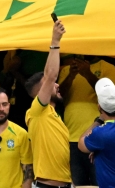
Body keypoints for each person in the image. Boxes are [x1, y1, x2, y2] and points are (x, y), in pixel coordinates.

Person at [58, 54, 115, 185]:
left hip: (100, 136)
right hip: (71, 137)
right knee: (77, 183)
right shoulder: (66, 70)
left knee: (101, 183)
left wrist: (88, 74)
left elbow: (110, 97)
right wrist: (71, 75)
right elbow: (59, 97)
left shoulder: (109, 68)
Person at [24, 19, 72, 188]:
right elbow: (50, 75)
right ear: (41, 91)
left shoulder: (54, 115)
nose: (57, 84)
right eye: (51, 85)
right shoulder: (36, 112)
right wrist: (55, 41)